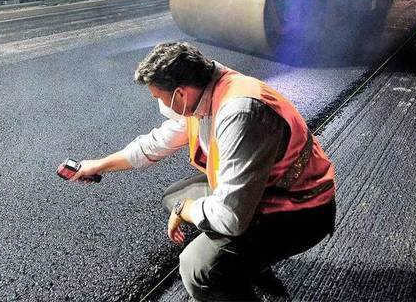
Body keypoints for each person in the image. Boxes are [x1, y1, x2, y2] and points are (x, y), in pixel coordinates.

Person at [71, 42, 336, 301]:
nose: (159, 105)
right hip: (260, 192)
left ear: (180, 93)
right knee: (173, 196)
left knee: (198, 269)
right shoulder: (203, 94)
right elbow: (154, 145)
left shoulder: (240, 113)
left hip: (301, 210)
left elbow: (231, 217)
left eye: (158, 97)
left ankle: (239, 269)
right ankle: (248, 267)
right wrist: (96, 165)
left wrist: (185, 210)